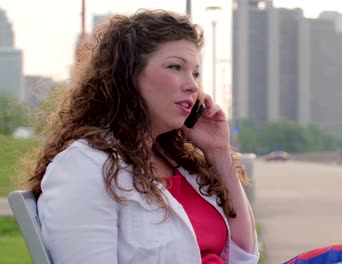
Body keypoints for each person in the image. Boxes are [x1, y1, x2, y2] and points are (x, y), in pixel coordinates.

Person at [24, 9, 258, 263]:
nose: (193, 85)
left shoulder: (178, 163)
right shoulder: (84, 167)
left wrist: (218, 151)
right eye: (176, 67)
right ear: (129, 75)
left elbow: (243, 256)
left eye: (195, 73)